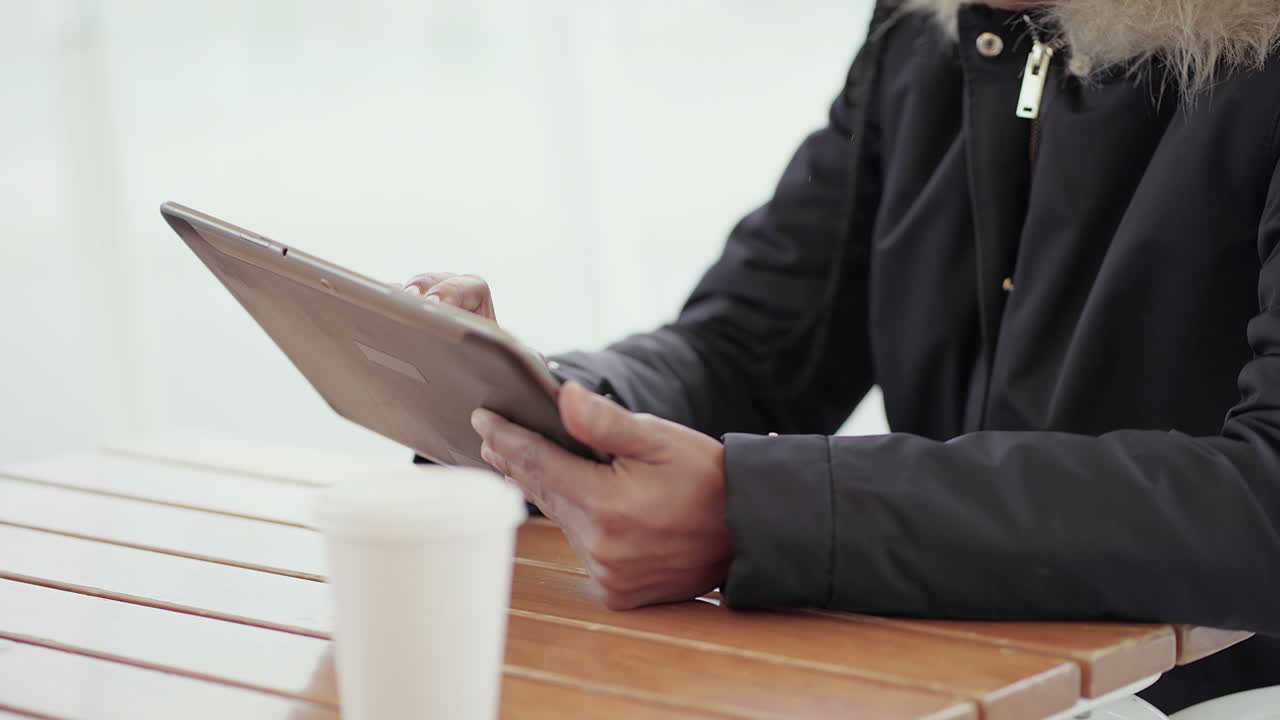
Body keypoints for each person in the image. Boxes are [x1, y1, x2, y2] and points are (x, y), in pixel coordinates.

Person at [403, 0, 1280, 711]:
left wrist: (763, 514)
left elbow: (1265, 499)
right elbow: (753, 347)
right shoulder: (928, 32)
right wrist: (554, 405)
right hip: (958, 675)